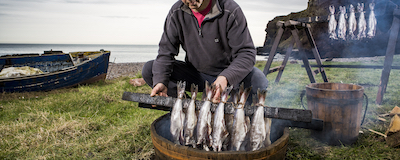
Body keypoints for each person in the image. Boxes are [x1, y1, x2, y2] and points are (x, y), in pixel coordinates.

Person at [142, 0, 268, 105]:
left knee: (258, 80)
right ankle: (185, 109)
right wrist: (160, 81)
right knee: (151, 69)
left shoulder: (230, 10)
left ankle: (232, 113)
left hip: (228, 76)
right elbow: (165, 52)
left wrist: (226, 78)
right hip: (196, 74)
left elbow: (246, 53)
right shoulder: (177, 12)